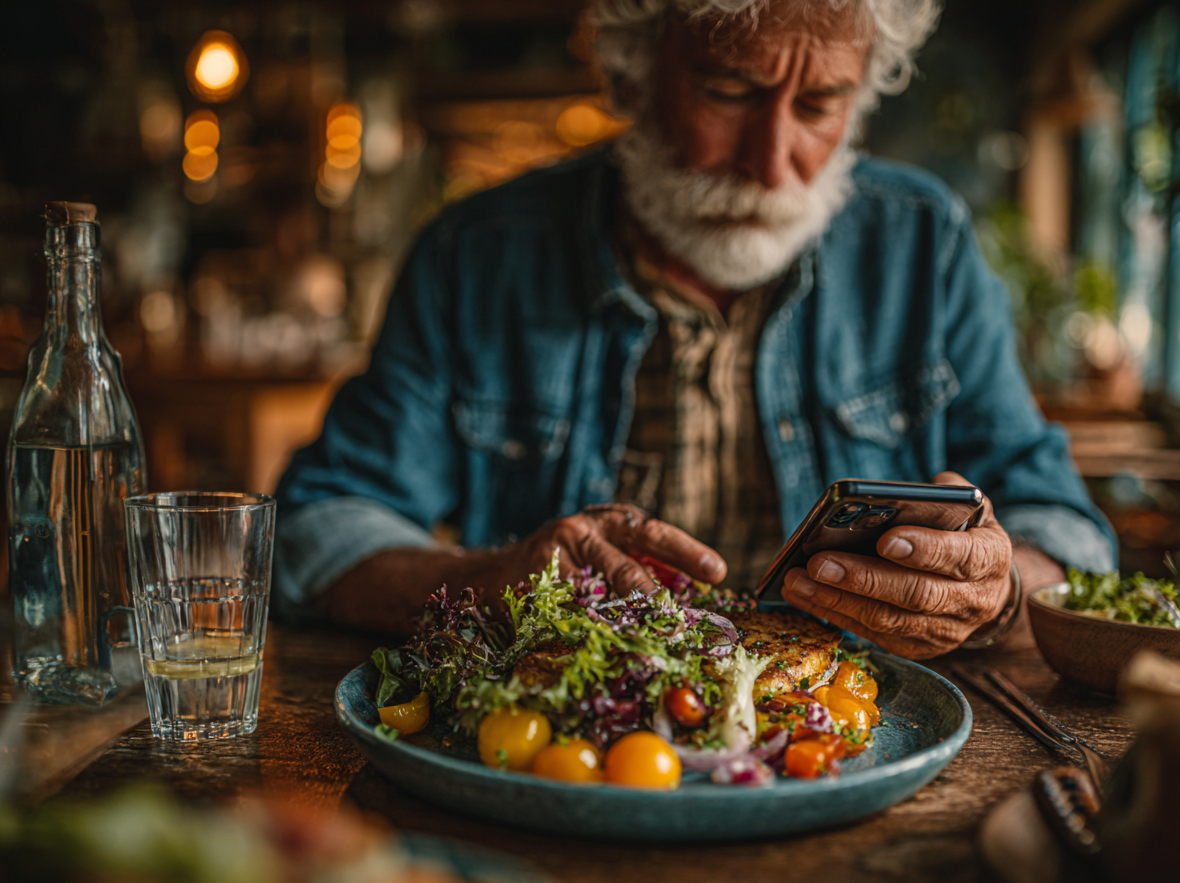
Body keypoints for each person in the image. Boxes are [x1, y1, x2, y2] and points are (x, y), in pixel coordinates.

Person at [274, 0, 1114, 658]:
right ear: (632, 75)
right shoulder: (478, 254)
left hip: (865, 750)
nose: (770, 159)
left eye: (820, 103)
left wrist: (996, 592)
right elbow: (321, 530)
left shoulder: (924, 245)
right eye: (728, 90)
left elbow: (1064, 529)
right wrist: (484, 581)